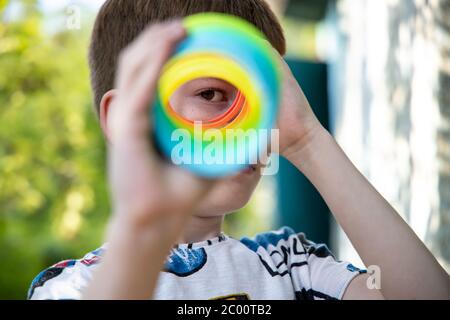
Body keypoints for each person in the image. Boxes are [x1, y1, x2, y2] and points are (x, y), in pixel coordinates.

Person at [28, 0, 450, 300]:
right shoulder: (73, 287)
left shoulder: (292, 267)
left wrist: (307, 140)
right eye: (211, 93)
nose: (242, 121)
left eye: (258, 96)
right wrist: (144, 224)